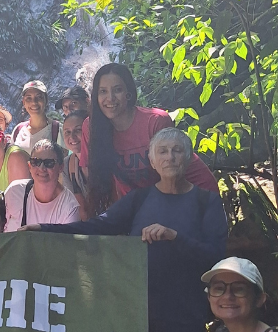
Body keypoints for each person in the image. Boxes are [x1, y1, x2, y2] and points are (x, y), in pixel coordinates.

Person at [24, 128, 227, 332]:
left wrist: (174, 237)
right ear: (152, 161)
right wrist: (45, 231)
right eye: (163, 151)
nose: (170, 156)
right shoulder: (140, 200)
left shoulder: (205, 203)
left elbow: (216, 258)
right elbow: (97, 227)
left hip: (184, 318)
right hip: (136, 315)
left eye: (177, 150)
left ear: (188, 158)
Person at [81, 63, 218, 213]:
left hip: (193, 195)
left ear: (129, 93)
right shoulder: (92, 127)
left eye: (117, 90)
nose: (110, 98)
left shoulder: (155, 121)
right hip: (144, 205)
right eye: (103, 91)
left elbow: (173, 177)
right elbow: (97, 174)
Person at [4, 140, 79, 232]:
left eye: (49, 163)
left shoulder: (69, 206)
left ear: (61, 167)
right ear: (29, 166)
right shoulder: (14, 191)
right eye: (36, 162)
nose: (41, 168)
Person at [11, 81, 61, 153]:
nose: (34, 102)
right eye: (29, 98)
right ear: (24, 102)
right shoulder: (18, 130)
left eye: (39, 97)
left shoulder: (58, 129)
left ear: (46, 100)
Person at [61, 110, 90, 218]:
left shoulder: (105, 158)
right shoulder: (67, 165)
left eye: (78, 130)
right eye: (67, 132)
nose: (72, 137)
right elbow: (80, 209)